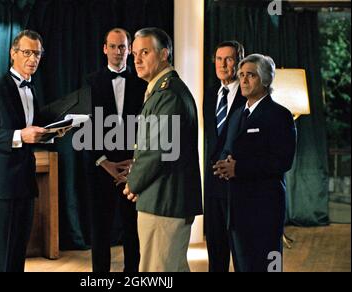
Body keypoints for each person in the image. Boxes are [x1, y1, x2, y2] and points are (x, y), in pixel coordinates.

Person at [0, 30, 63, 272]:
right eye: (27, 52)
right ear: (13, 53)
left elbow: (31, 132)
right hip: (1, 185)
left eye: (38, 54)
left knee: (17, 252)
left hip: (24, 181)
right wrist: (20, 135)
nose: (33, 59)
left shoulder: (32, 90)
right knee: (0, 253)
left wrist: (51, 134)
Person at [123, 27, 202, 272]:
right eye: (134, 53)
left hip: (164, 200)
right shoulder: (163, 90)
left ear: (164, 54)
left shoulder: (169, 94)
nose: (136, 59)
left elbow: (157, 150)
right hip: (161, 198)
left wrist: (133, 183)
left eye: (144, 52)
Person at [213, 54, 297, 272]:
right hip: (237, 207)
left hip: (265, 208)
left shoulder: (280, 115)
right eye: (241, 75)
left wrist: (238, 168)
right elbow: (228, 150)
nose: (244, 80)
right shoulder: (238, 114)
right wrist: (224, 165)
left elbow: (282, 161)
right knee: (243, 266)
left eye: (251, 75)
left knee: (269, 267)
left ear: (266, 80)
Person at [85, 28, 146, 272]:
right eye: (113, 46)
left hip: (133, 167)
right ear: (104, 48)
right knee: (100, 230)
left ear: (129, 49)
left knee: (133, 229)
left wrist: (135, 161)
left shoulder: (142, 83)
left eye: (122, 47)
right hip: (101, 167)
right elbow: (84, 126)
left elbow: (148, 126)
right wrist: (103, 161)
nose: (118, 52)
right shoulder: (90, 82)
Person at [203, 41, 246, 272]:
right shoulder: (210, 95)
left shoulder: (249, 94)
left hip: (238, 185)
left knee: (241, 254)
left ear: (240, 60)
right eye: (219, 59)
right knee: (216, 254)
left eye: (228, 59)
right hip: (212, 185)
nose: (223, 64)